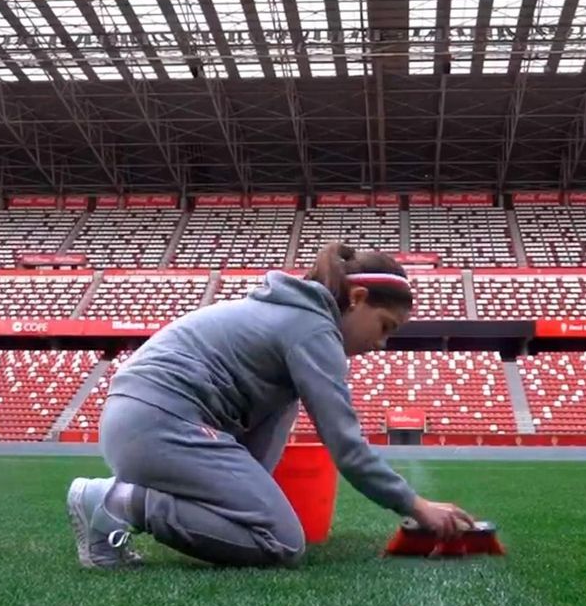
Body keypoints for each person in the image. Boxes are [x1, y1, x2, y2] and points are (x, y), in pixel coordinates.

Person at [66, 242, 474, 568]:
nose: (381, 344)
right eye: (385, 326)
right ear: (358, 298)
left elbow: (259, 452)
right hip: (159, 421)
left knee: (270, 513)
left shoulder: (290, 320)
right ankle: (117, 501)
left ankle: (116, 516)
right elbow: (347, 448)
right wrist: (416, 506)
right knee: (280, 541)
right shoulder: (313, 329)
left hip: (145, 420)